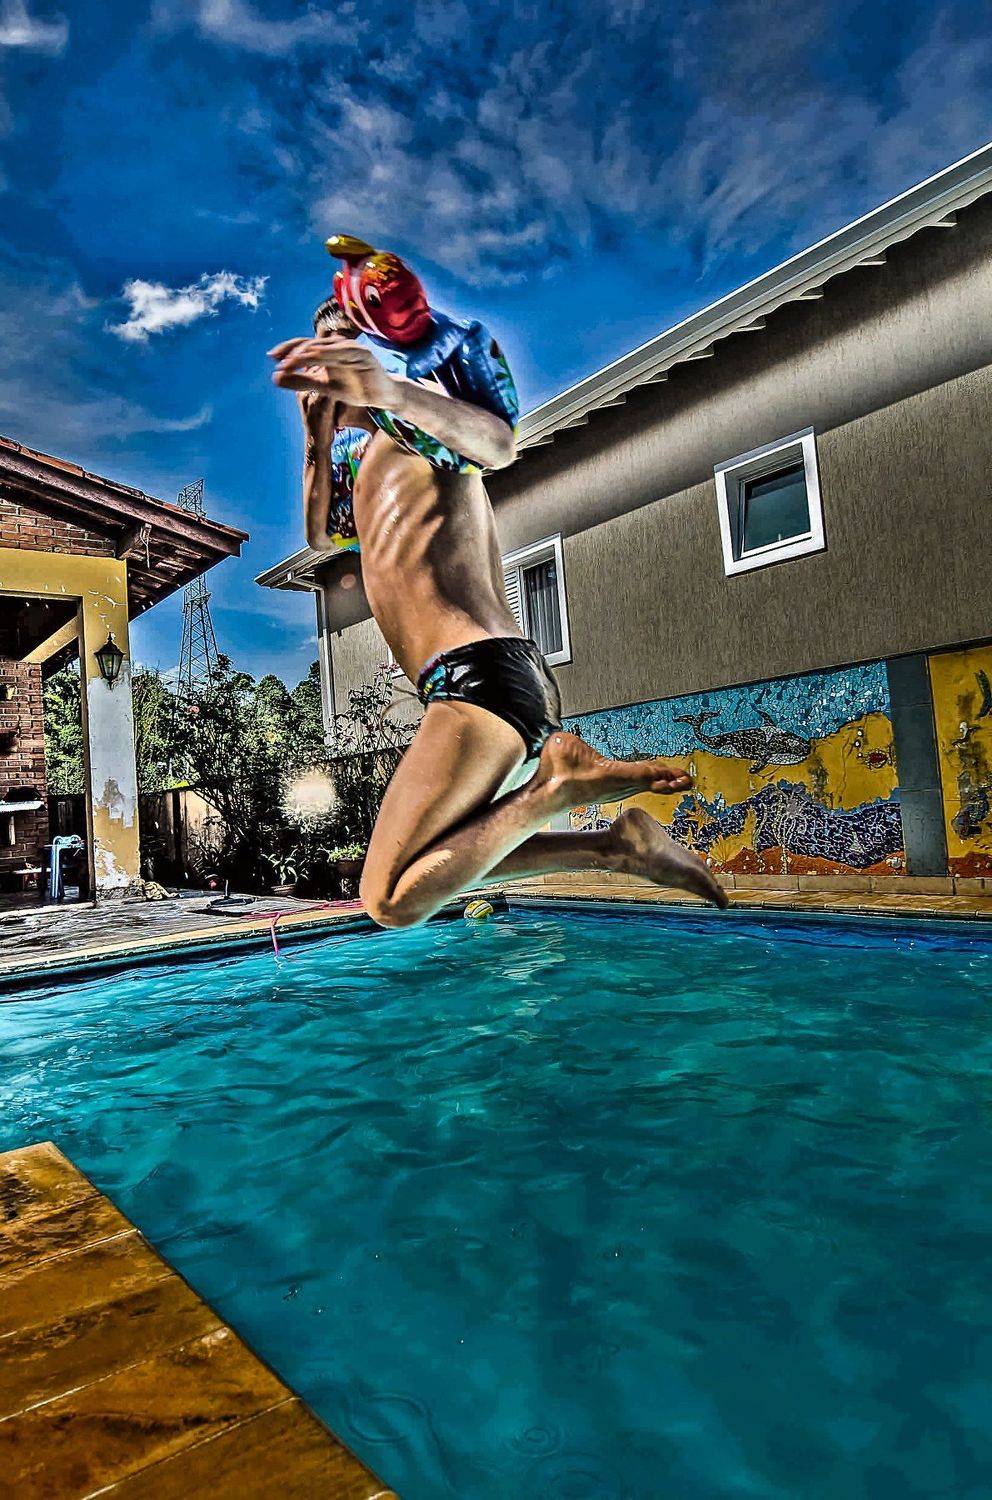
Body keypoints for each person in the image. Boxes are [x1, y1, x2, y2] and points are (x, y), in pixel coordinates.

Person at [269, 240, 727, 926]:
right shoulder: (358, 464)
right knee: (445, 856)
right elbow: (321, 536)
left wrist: (387, 389)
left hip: (476, 671)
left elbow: (494, 444)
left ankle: (558, 788)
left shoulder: (416, 424)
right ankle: (615, 846)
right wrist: (313, 438)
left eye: (337, 358)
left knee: (388, 898)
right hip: (486, 680)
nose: (324, 379)